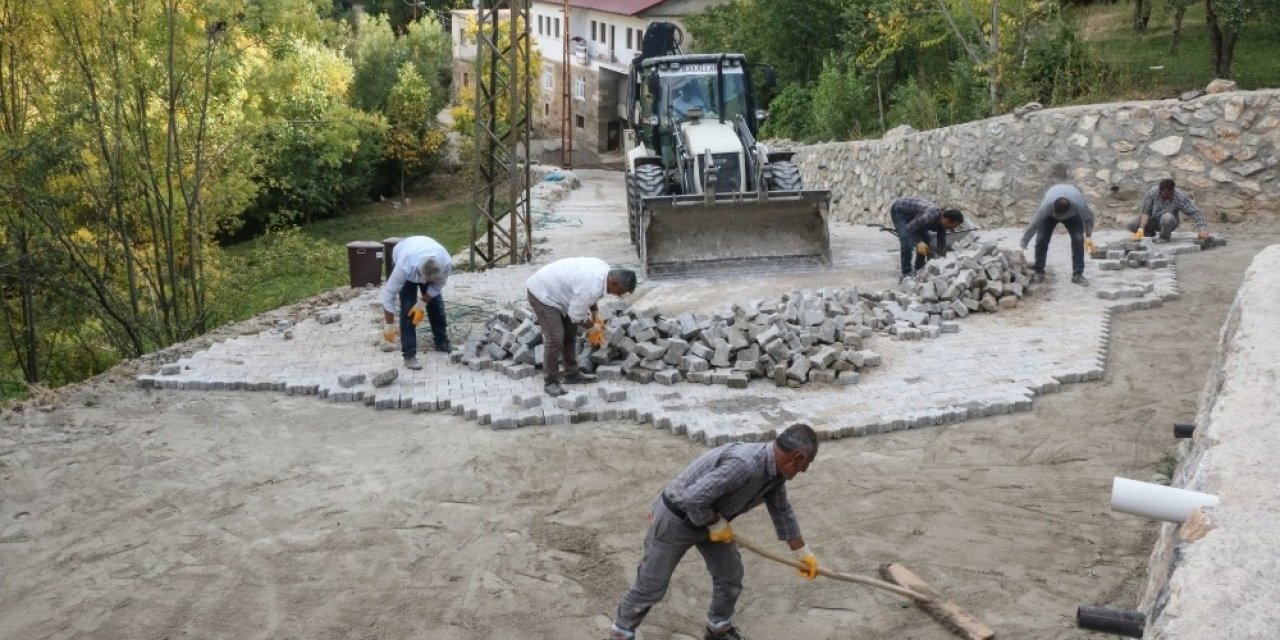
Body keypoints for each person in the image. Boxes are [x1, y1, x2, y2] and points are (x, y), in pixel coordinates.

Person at [602, 423, 821, 640]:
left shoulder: (775, 474)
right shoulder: (745, 465)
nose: (803, 471)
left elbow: (782, 511)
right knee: (652, 584)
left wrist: (801, 553)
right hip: (676, 518)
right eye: (806, 465)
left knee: (730, 575)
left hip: (712, 520)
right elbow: (694, 499)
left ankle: (719, 628)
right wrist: (716, 524)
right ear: (798, 457)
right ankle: (620, 634)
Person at [526, 257, 637, 396]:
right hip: (542, 294)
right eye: (622, 291)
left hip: (560, 292)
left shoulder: (604, 270)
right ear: (614, 283)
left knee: (569, 334)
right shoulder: (590, 287)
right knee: (555, 338)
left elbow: (591, 295)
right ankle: (550, 382)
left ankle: (571, 374)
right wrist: (593, 327)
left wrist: (595, 312)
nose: (621, 295)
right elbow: (576, 315)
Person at [380, 236, 452, 370]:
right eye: (426, 280)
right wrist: (389, 327)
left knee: (436, 306)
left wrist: (422, 304)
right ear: (420, 273)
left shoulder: (445, 263)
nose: (426, 283)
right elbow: (388, 297)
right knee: (408, 311)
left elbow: (437, 287)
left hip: (424, 249)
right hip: (404, 253)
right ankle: (409, 355)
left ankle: (441, 342)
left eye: (430, 281)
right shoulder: (404, 268)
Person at [1020, 184, 1095, 287]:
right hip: (1049, 216)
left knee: (1078, 239)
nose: (1057, 216)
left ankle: (1077, 274)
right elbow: (1034, 225)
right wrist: (1023, 244)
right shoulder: (1047, 206)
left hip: (1073, 216)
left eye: (1058, 214)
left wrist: (1088, 236)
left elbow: (1089, 218)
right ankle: (1039, 270)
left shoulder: (1079, 205)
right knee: (1041, 239)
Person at [889, 197, 964, 277]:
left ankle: (919, 267)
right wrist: (919, 242)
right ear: (947, 220)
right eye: (953, 226)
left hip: (915, 217)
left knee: (925, 239)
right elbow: (909, 229)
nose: (952, 229)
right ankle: (906, 272)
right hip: (899, 210)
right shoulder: (928, 216)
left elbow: (941, 241)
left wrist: (942, 260)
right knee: (906, 241)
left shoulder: (942, 222)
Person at [1128, 178, 1211, 243]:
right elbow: (1146, 213)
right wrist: (1140, 230)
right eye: (1167, 194)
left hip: (1169, 222)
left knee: (1167, 217)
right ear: (1160, 191)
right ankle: (1149, 234)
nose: (1170, 196)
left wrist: (1202, 229)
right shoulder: (1152, 193)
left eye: (1172, 193)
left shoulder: (1179, 196)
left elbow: (1194, 212)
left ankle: (1164, 237)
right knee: (1132, 224)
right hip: (1153, 220)